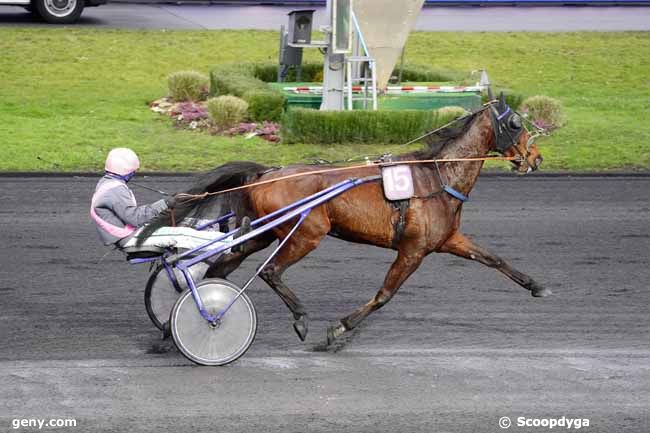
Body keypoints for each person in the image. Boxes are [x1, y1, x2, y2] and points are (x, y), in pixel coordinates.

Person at [90, 147, 250, 253]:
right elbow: (135, 217)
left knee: (186, 222)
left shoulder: (109, 183)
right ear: (125, 170)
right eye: (133, 171)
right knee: (180, 234)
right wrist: (164, 203)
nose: (134, 174)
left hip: (132, 230)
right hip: (129, 238)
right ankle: (231, 243)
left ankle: (221, 231)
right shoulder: (114, 191)